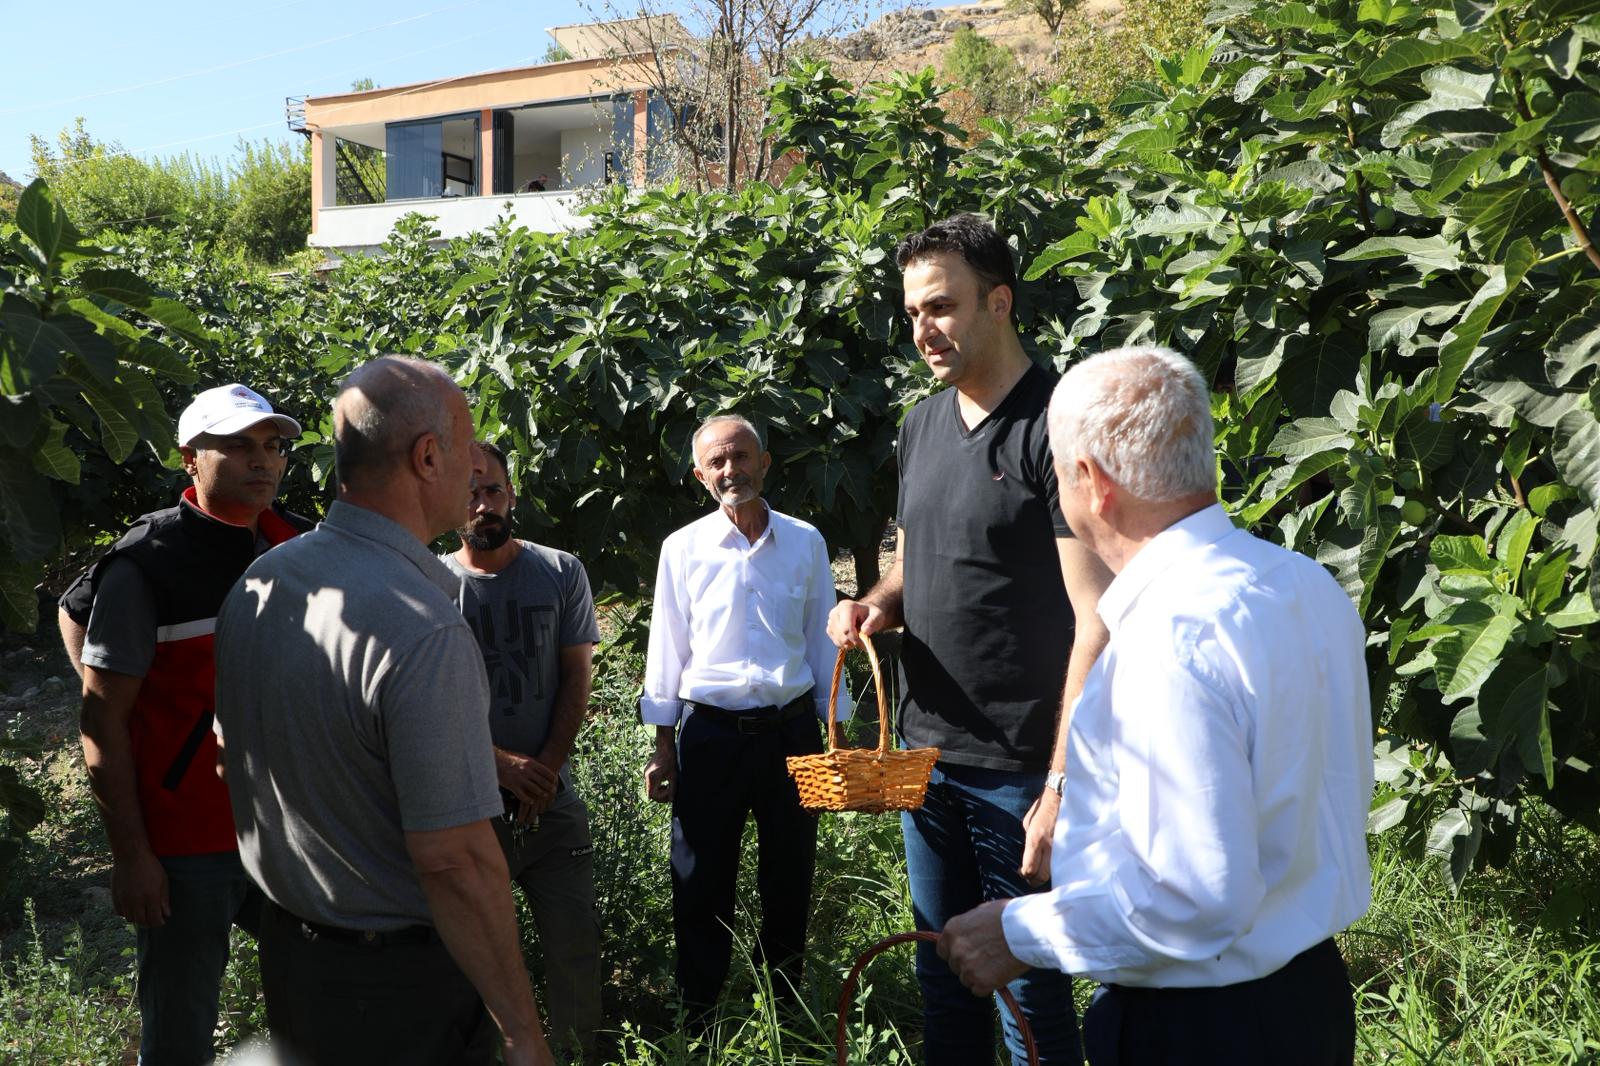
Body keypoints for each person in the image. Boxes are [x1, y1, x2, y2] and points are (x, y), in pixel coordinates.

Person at [938, 345, 1373, 1066]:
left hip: (1200, 1030)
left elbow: (1193, 899)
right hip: (1311, 999)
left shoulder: (1168, 640)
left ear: (1092, 482)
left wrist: (1015, 933)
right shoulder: (1303, 583)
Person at [827, 214, 1112, 1066]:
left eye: (942, 306)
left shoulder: (1059, 426)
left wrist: (1061, 783)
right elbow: (917, 560)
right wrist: (875, 603)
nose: (923, 329)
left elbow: (1097, 615)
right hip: (927, 758)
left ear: (999, 301)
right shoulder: (919, 427)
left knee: (1029, 997)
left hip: (1020, 767)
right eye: (913, 311)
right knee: (942, 976)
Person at [212, 356, 554, 1066]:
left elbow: (230, 752)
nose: (473, 473)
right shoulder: (420, 628)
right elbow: (455, 860)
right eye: (466, 449)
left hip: (294, 957)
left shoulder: (265, 580)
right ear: (429, 457)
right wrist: (522, 1031)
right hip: (396, 992)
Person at [56, 383, 309, 1066]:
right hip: (189, 838)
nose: (263, 462)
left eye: (273, 446)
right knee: (181, 1028)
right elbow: (100, 718)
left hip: (289, 828)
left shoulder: (293, 542)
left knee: (328, 991)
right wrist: (133, 855)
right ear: (188, 458)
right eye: (236, 446)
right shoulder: (150, 563)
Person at [639, 414, 847, 1024]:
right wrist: (663, 746)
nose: (732, 471)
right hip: (710, 736)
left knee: (790, 877)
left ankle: (785, 1012)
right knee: (699, 876)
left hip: (791, 734)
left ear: (765, 462)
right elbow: (667, 648)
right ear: (700, 474)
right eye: (718, 462)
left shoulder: (806, 542)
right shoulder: (682, 549)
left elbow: (822, 643)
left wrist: (832, 734)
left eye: (742, 457)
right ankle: (698, 1015)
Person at [442, 440, 603, 1061]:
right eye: (471, 494)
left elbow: (576, 679)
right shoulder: (432, 585)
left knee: (574, 949)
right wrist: (500, 767)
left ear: (512, 495)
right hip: (467, 806)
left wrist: (544, 773)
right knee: (466, 959)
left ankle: (575, 1055)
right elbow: (422, 707)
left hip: (551, 802)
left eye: (494, 492)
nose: (484, 505)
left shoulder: (560, 572)